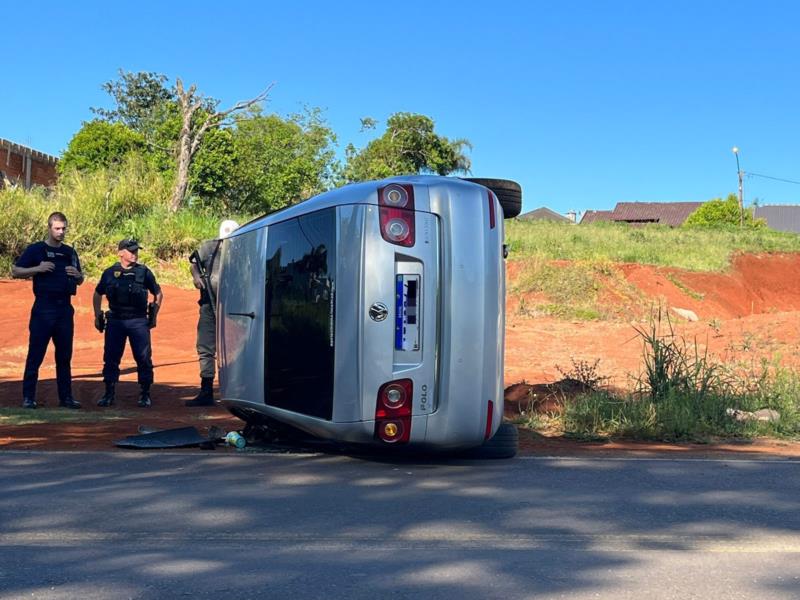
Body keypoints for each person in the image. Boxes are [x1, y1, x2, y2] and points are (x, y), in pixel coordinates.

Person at [12, 212, 84, 409]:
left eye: (63, 229)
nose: (61, 232)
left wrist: (78, 275)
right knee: (35, 354)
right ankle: (28, 397)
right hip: (43, 308)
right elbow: (16, 271)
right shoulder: (37, 250)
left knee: (64, 356)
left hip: (64, 309)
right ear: (49, 228)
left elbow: (80, 278)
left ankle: (66, 398)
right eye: (57, 228)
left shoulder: (70, 252)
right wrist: (38, 268)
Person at [93, 239, 163, 408]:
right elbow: (97, 293)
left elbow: (158, 293)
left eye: (136, 251)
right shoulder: (110, 273)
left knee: (143, 357)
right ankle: (109, 393)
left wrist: (154, 314)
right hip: (116, 320)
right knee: (111, 357)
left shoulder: (144, 272)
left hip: (138, 320)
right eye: (131, 251)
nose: (134, 254)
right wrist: (97, 316)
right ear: (120, 253)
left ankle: (145, 394)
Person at [185, 220, 238, 407]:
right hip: (209, 304)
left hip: (234, 306)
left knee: (235, 347)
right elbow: (194, 264)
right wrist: (197, 278)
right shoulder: (209, 247)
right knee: (205, 346)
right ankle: (206, 389)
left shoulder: (243, 250)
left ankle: (236, 389)